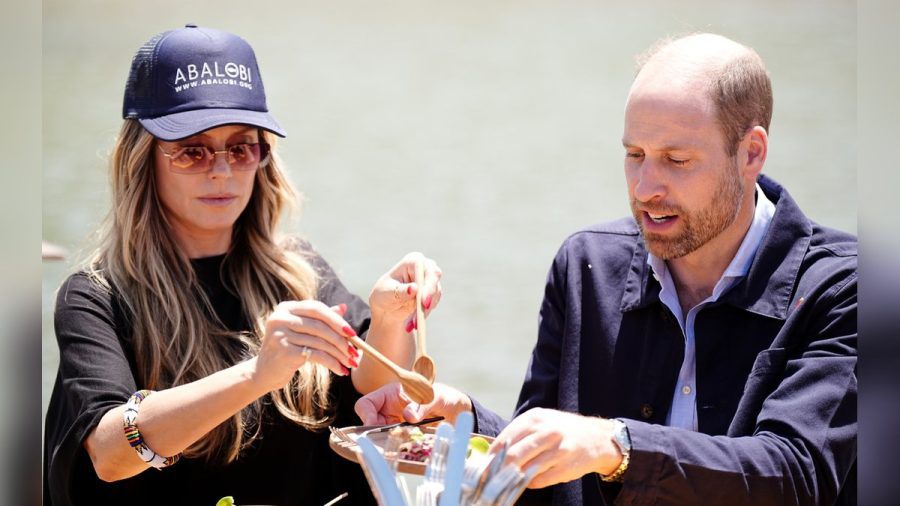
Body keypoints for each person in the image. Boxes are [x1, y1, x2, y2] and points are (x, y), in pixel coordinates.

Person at [357, 33, 857, 505]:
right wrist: (466, 422)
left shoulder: (848, 288)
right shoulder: (584, 266)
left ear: (751, 153)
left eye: (676, 160)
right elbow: (548, 477)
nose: (645, 187)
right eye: (634, 155)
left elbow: (798, 474)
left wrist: (614, 445)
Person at [43, 25, 444, 506]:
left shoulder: (300, 271)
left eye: (241, 147)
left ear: (263, 158)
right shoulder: (96, 297)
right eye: (192, 150)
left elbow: (369, 398)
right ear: (142, 160)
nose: (221, 170)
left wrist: (388, 318)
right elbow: (109, 454)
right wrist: (257, 375)